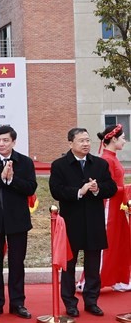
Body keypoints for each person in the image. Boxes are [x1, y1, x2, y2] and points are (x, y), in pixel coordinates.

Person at [49, 127, 117, 318]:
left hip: (94, 221)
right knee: (68, 266)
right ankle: (70, 303)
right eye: (81, 141)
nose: (86, 144)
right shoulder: (60, 165)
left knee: (93, 265)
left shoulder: (100, 164)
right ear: (70, 143)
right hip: (71, 222)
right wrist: (80, 191)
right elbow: (56, 190)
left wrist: (97, 189)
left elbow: (110, 187)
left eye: (88, 140)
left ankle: (91, 301)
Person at [0, 126, 36, 320]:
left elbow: (30, 188)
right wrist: (0, 177)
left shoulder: (25, 162)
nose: (1, 144)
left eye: (5, 140)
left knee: (17, 263)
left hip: (17, 221)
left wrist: (12, 180)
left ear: (13, 142)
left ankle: (18, 303)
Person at [97, 124, 131, 291]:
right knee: (107, 244)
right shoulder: (106, 160)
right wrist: (127, 189)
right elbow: (106, 187)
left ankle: (119, 278)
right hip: (109, 206)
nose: (125, 141)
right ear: (114, 139)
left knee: (120, 242)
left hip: (118, 206)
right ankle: (94, 280)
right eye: (123, 138)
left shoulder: (113, 157)